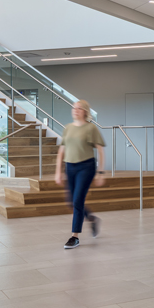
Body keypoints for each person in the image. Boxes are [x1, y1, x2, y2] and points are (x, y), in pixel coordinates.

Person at [55, 100, 106, 249]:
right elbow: (61, 151)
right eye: (74, 108)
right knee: (72, 201)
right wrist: (58, 172)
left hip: (86, 167)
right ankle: (92, 219)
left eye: (78, 108)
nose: (75, 110)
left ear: (84, 111)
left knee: (77, 200)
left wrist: (101, 172)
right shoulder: (68, 128)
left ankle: (74, 237)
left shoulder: (91, 128)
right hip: (70, 167)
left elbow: (100, 151)